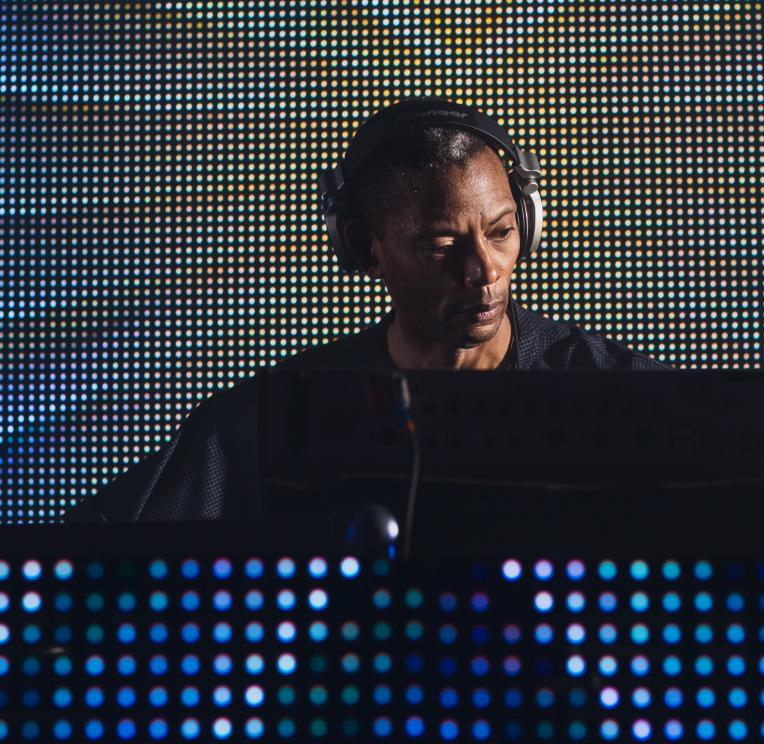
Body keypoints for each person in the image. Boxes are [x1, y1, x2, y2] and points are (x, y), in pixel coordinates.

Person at [67, 100, 667, 521]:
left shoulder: (613, 391)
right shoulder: (284, 416)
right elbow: (96, 548)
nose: (482, 271)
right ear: (363, 247)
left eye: (502, 233)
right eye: (439, 246)